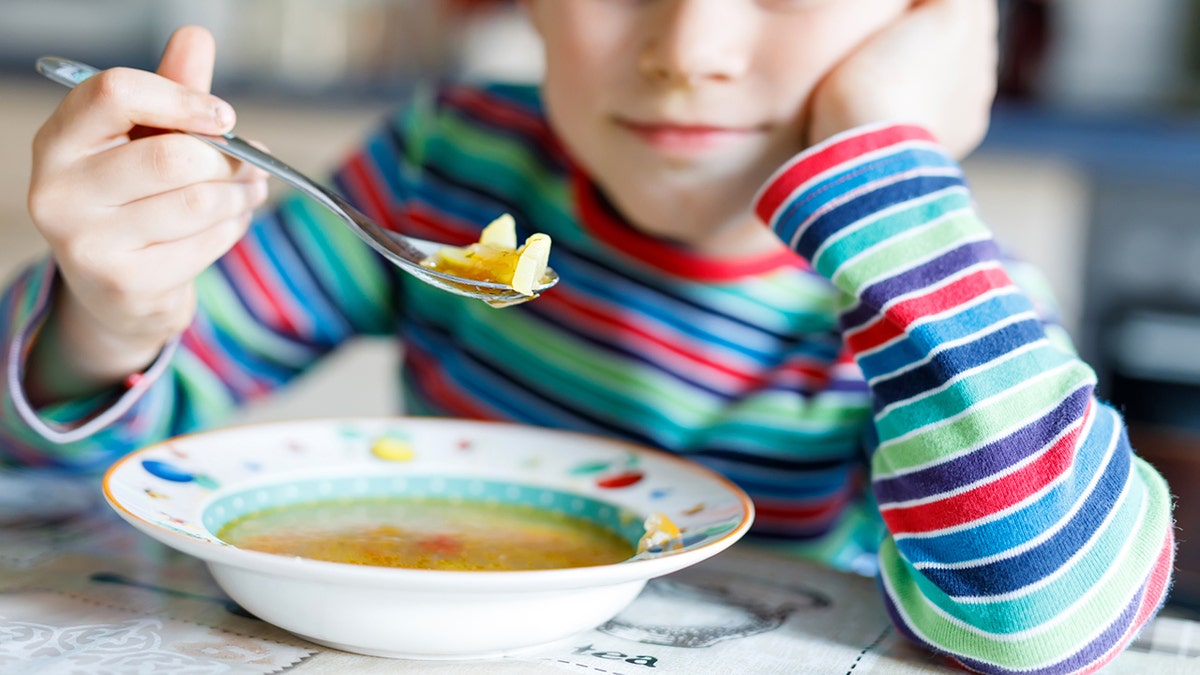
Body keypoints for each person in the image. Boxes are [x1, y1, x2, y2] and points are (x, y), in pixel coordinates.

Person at [0, 1, 1174, 672]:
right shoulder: (443, 172)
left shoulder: (932, 298)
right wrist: (111, 313)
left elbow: (1043, 622)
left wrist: (885, 179)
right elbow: (38, 469)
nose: (689, 44)